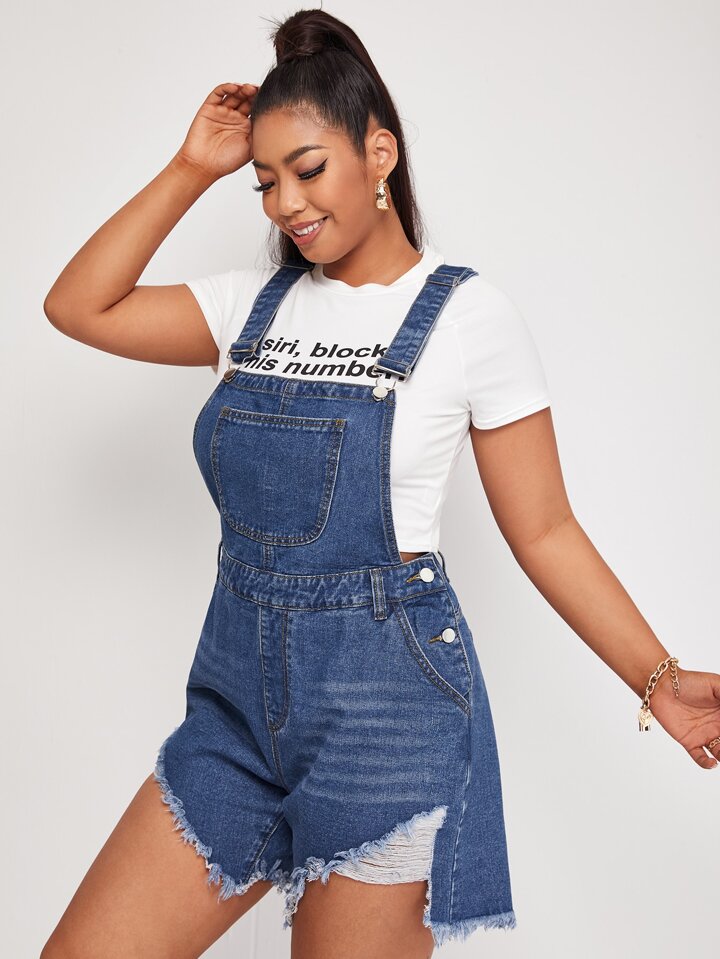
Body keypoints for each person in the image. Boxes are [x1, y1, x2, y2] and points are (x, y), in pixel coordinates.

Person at [40, 8, 720, 959]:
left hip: (387, 723)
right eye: (265, 182)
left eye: (308, 169)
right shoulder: (248, 306)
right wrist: (192, 167)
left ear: (379, 154)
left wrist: (658, 676)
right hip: (233, 714)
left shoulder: (468, 318)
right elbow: (77, 305)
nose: (285, 204)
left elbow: (546, 530)